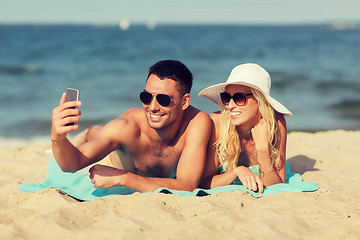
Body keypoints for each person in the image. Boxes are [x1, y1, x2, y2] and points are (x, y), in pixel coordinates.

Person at [51, 60, 212, 192]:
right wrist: (57, 138)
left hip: (125, 168)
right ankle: (88, 133)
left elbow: (187, 185)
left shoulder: (197, 122)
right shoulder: (126, 128)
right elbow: (71, 164)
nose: (153, 107)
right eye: (146, 97)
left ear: (184, 102)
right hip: (115, 156)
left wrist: (123, 177)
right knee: (97, 133)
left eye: (163, 100)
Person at [198, 63, 292, 194]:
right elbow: (205, 182)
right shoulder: (217, 122)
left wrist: (263, 150)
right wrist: (237, 171)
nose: (230, 105)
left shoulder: (276, 124)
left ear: (260, 101)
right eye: (226, 98)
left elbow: (276, 186)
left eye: (239, 98)